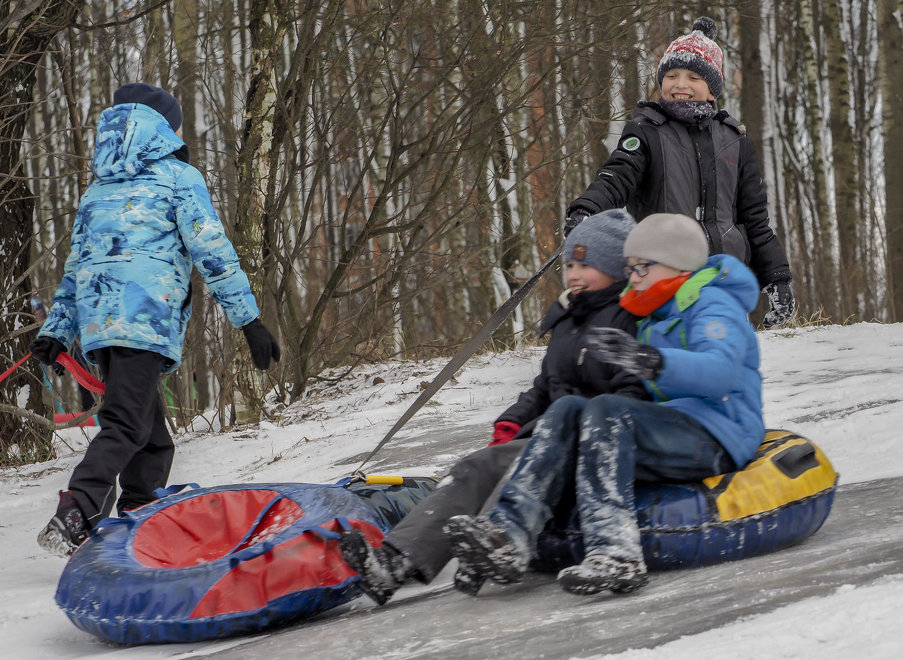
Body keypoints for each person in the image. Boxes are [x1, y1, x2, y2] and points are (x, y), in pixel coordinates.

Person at [446, 213, 765, 597]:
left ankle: (617, 553)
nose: (631, 277)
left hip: (720, 432)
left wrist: (650, 361)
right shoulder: (654, 309)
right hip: (673, 425)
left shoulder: (712, 303)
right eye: (629, 269)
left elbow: (722, 372)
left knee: (609, 410)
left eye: (641, 268)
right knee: (567, 410)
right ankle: (509, 537)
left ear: (677, 263)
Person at [339, 209, 649, 604]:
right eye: (570, 263)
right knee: (473, 467)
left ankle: (496, 545)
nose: (573, 274)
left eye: (586, 265)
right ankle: (395, 562)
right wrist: (512, 420)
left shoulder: (628, 319)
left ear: (616, 268)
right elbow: (543, 386)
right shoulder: (571, 320)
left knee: (510, 468)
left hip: (587, 439)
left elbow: (631, 394)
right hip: (550, 431)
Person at [31, 82, 280, 558]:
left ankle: (137, 517)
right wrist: (248, 321)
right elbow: (212, 251)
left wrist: (56, 329)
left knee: (152, 437)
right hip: (144, 321)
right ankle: (77, 510)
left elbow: (76, 269)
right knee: (125, 423)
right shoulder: (178, 178)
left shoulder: (97, 190)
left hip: (102, 325)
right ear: (164, 127)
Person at [563, 17, 794, 329]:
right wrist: (586, 209)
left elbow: (755, 220)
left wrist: (777, 277)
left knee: (718, 357)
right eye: (671, 75)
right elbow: (618, 175)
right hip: (662, 278)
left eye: (693, 77)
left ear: (712, 90)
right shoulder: (646, 132)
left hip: (721, 280)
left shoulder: (735, 141)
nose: (680, 85)